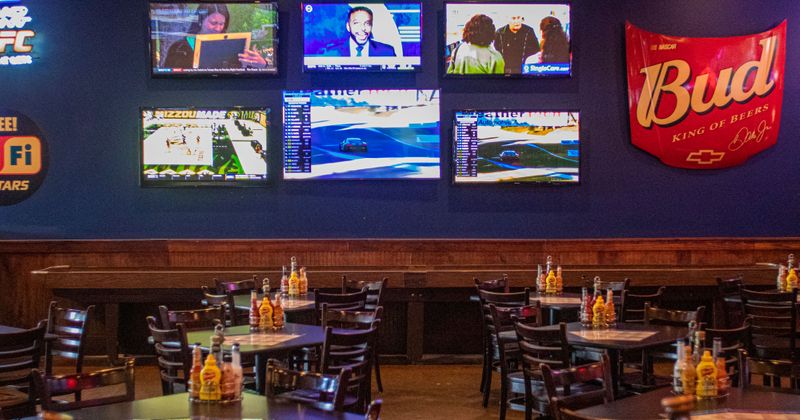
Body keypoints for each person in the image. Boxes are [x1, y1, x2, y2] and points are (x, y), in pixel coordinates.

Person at [162, 4, 268, 69]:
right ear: (200, 20)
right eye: (213, 23)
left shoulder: (233, 44)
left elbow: (247, 70)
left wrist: (263, 64)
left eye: (222, 24)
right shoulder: (180, 48)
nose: (218, 29)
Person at [321, 6, 396, 57]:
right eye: (356, 23)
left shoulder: (387, 51)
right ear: (348, 27)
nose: (363, 28)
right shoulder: (332, 52)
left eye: (367, 23)